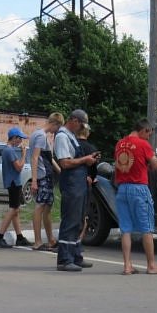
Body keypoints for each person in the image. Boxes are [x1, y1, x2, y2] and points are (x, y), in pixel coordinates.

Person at [114, 119, 157, 275]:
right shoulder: (143, 144)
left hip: (122, 188)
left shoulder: (119, 144)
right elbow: (156, 165)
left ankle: (127, 265)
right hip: (139, 188)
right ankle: (151, 265)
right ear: (144, 130)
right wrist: (149, 164)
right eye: (149, 134)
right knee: (147, 229)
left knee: (125, 229)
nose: (149, 138)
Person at [54, 109, 100, 271]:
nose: (81, 128)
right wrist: (85, 160)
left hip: (79, 183)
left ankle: (76, 256)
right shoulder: (61, 137)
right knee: (71, 220)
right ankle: (64, 260)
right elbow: (64, 163)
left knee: (79, 220)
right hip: (71, 184)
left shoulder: (71, 136)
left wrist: (89, 160)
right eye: (80, 124)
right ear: (73, 120)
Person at [0, 127, 32, 248]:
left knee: (16, 210)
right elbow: (19, 167)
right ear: (14, 138)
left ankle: (19, 237)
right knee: (13, 209)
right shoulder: (9, 151)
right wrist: (24, 154)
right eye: (19, 138)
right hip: (14, 182)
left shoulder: (9, 150)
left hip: (14, 182)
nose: (21, 141)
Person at [30, 113, 64, 251]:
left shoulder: (40, 135)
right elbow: (35, 158)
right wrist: (34, 180)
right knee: (40, 206)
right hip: (42, 176)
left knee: (47, 207)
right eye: (58, 127)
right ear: (55, 123)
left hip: (47, 176)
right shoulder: (40, 136)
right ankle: (38, 242)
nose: (57, 131)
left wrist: (62, 172)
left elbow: (49, 158)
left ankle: (51, 240)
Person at [76, 123, 99, 241]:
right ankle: (79, 240)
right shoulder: (92, 149)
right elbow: (95, 168)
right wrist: (91, 176)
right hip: (86, 182)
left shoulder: (72, 145)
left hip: (72, 182)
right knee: (84, 213)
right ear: (87, 133)